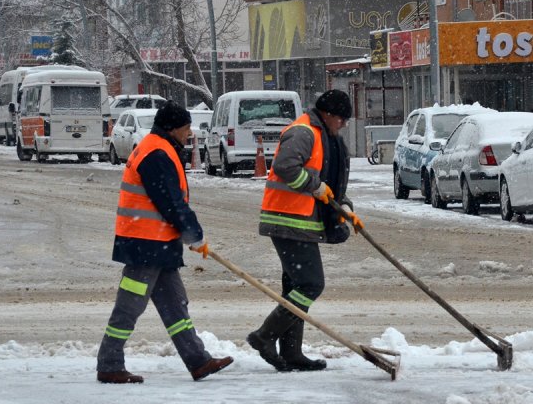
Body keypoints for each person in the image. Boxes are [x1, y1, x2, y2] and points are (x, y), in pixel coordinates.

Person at [96, 101, 233, 383]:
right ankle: (109, 364)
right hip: (145, 244)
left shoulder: (159, 148)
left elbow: (171, 201)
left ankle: (198, 360)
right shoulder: (156, 154)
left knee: (175, 306)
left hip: (157, 243)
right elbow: (171, 202)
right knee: (129, 306)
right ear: (172, 128)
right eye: (186, 128)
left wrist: (189, 234)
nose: (189, 133)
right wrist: (193, 235)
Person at [247, 89, 364, 372]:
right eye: (341, 119)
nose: (343, 125)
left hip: (300, 221)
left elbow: (328, 180)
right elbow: (285, 166)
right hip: (288, 220)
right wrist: (315, 186)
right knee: (311, 284)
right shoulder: (304, 132)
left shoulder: (325, 135)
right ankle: (264, 336)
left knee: (296, 287)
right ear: (327, 114)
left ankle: (291, 352)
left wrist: (343, 207)